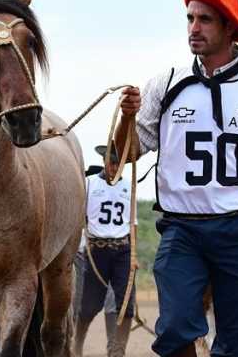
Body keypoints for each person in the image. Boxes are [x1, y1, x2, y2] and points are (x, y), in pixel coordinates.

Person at [114, 0, 238, 356]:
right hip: (182, 229)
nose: (194, 29)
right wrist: (126, 119)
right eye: (190, 19)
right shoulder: (165, 83)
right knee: (176, 332)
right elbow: (127, 153)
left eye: (205, 20)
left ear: (230, 28)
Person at [73, 145, 137, 357]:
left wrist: (134, 254)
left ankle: (117, 351)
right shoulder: (89, 184)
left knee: (126, 304)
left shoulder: (129, 187)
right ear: (104, 162)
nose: (114, 167)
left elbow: (132, 223)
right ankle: (77, 346)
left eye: (118, 164)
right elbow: (79, 219)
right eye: (111, 163)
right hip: (96, 250)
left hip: (123, 250)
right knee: (88, 306)